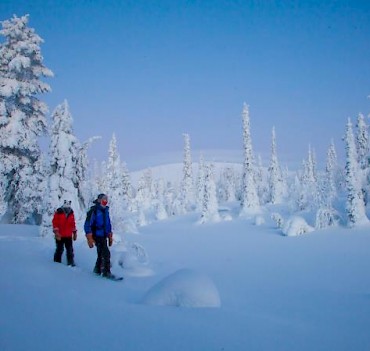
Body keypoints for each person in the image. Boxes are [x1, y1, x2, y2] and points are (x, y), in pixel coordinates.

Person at [84, 193, 114, 278]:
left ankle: (97, 269)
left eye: (106, 199)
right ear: (99, 200)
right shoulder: (94, 211)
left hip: (103, 235)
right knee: (106, 253)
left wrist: (109, 234)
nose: (105, 201)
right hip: (97, 235)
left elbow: (108, 224)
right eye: (103, 199)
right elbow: (87, 224)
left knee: (101, 253)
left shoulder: (106, 211)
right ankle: (106, 272)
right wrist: (89, 237)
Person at [52, 200, 77, 266]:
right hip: (60, 235)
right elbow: (55, 222)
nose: (68, 208)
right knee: (59, 249)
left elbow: (72, 223)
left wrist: (74, 232)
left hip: (68, 235)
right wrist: (56, 232)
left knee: (70, 250)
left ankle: (71, 262)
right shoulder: (59, 212)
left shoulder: (71, 213)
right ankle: (56, 262)